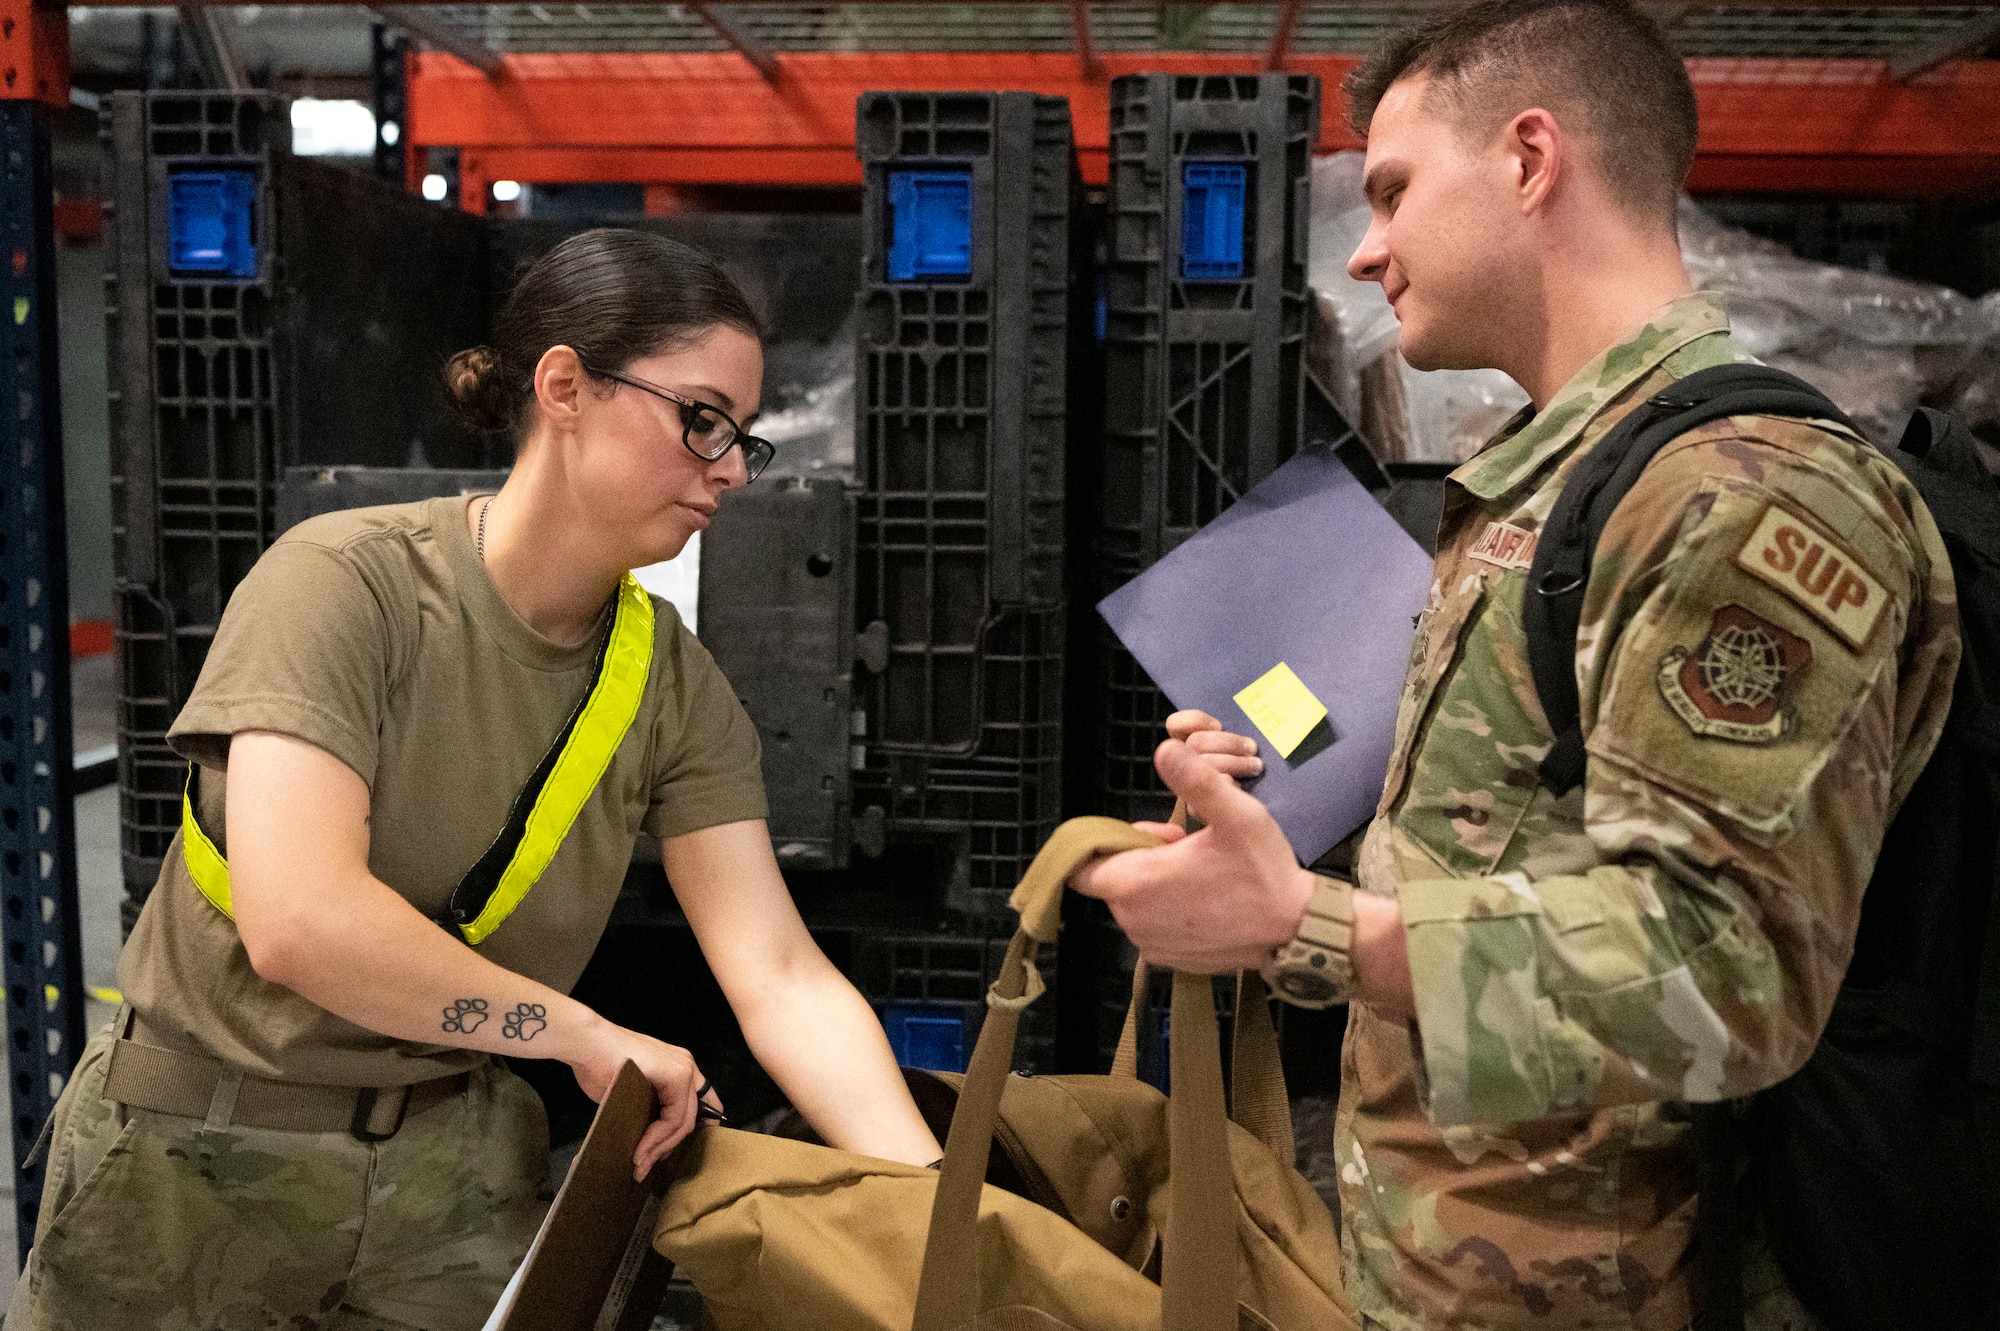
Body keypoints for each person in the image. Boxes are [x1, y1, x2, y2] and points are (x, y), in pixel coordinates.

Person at [1074, 3, 1960, 1329]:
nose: (1366, 250)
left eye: (1391, 188)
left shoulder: (1741, 498)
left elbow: (1732, 966)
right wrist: (1267, 849)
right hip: (1454, 1262)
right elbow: (1512, 847)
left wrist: (1303, 925)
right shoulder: (1554, 480)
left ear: (1530, 158)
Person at [10, 229, 942, 1331]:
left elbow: (781, 974)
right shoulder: (343, 585)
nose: (730, 466)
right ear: (564, 387)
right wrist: (583, 1034)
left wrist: (936, 1212)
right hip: (195, 1163)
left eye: (743, 436)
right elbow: (299, 918)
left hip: (453, 1174)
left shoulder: (667, 686)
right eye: (700, 419)